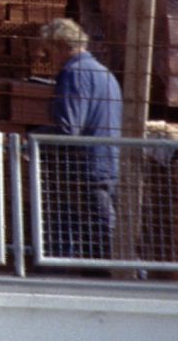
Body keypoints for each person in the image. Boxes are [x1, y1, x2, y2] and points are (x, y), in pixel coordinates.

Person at [39, 17, 121, 263]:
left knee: (99, 231)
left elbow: (68, 128)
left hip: (84, 168)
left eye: (48, 51)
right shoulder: (104, 73)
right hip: (107, 162)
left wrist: (31, 137)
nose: (48, 58)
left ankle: (129, 281)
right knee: (102, 230)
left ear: (60, 46)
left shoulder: (73, 74)